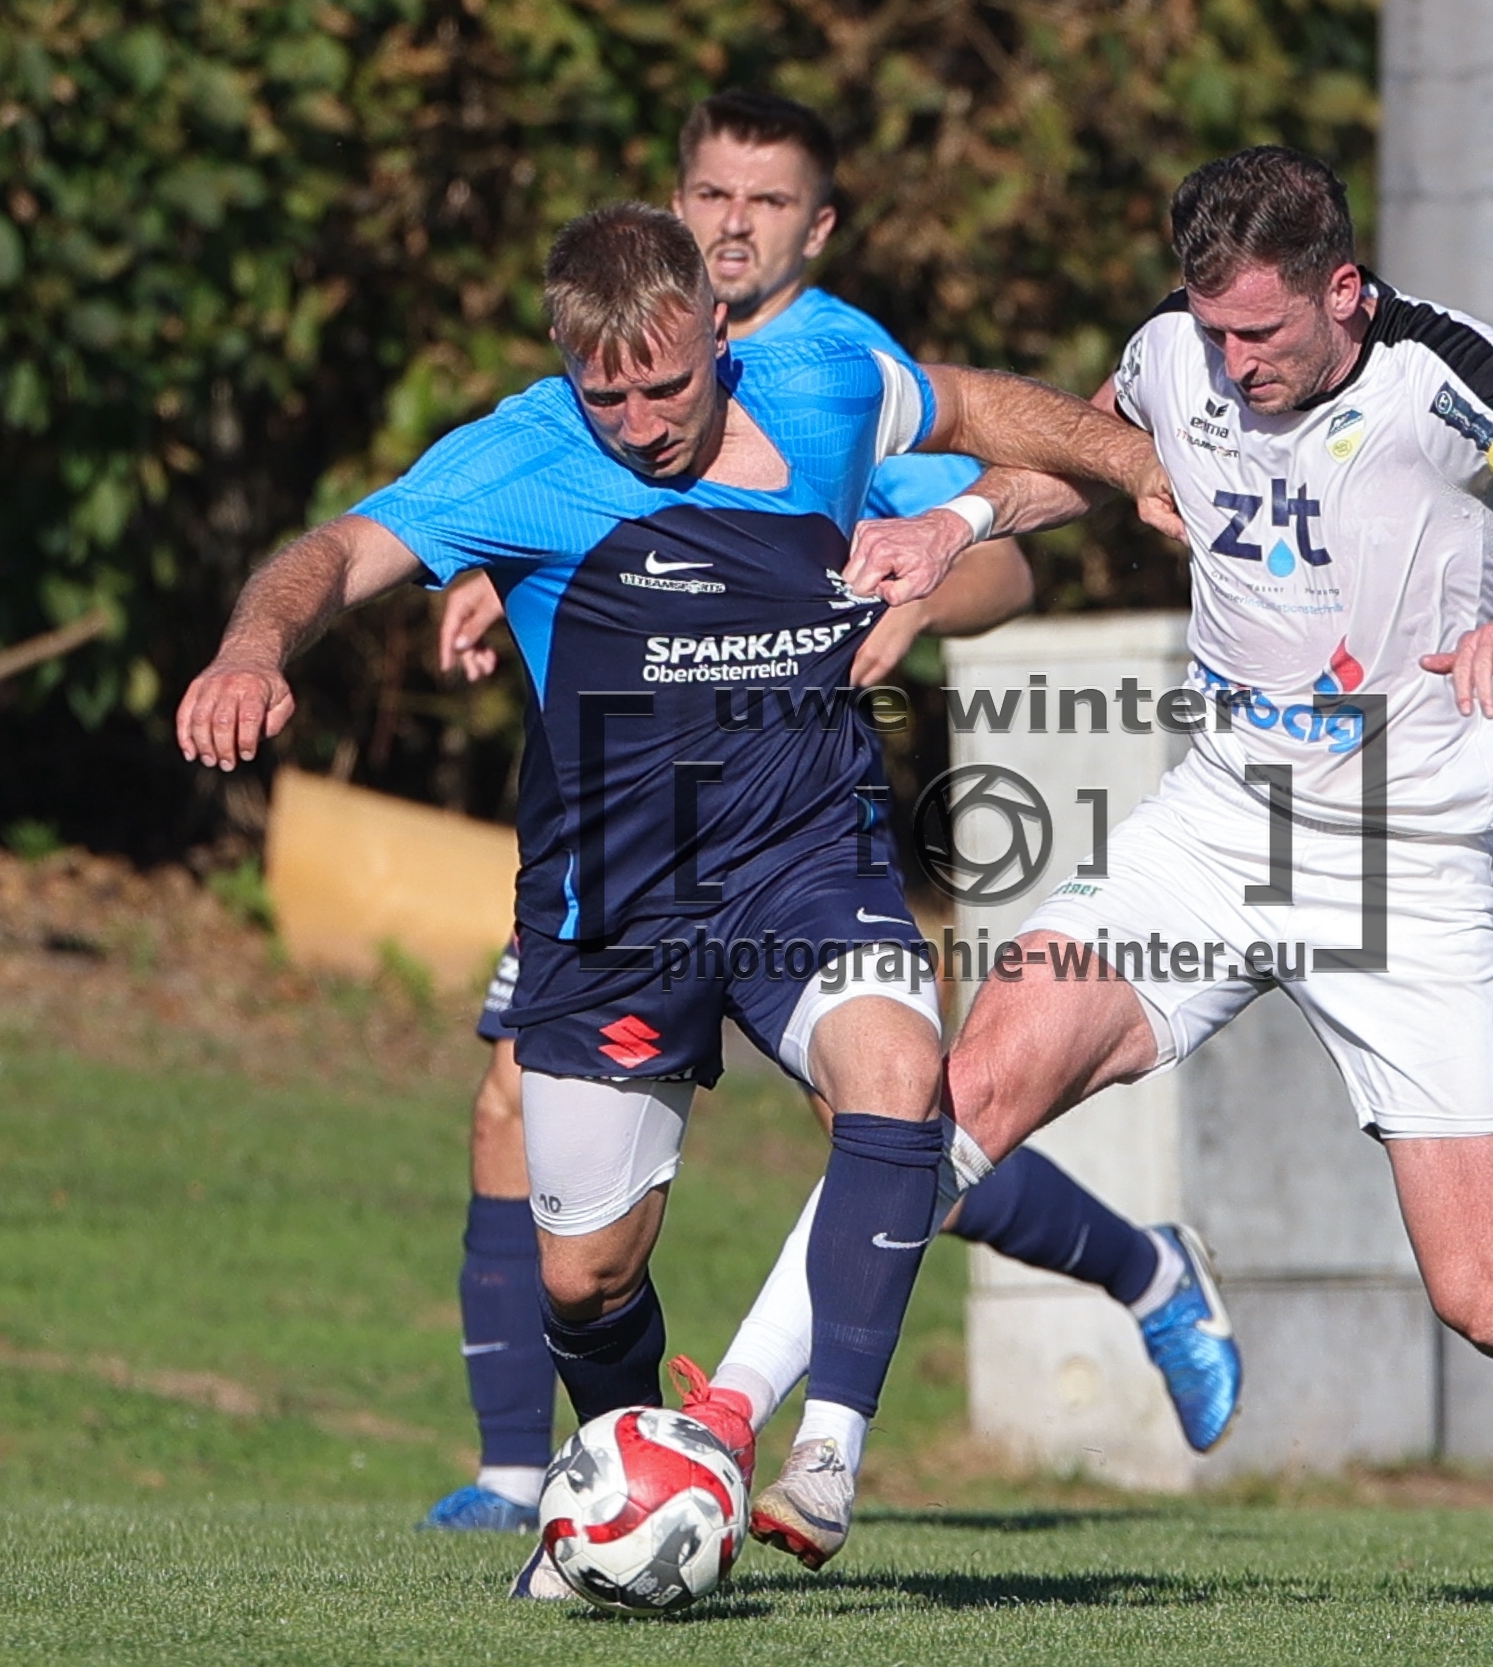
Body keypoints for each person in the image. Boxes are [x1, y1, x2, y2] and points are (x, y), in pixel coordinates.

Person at [174, 200, 1174, 1595]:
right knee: (584, 1278)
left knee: (899, 1077)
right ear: (564, 364)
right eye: (608, 398)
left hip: (805, 861)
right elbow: (336, 554)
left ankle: (825, 1456)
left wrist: (1138, 463)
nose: (641, 424)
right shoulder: (522, 460)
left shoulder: (821, 384)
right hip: (616, 916)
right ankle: (635, 1487)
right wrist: (251, 649)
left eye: (667, 386)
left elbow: (972, 403)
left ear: (718, 327)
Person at [763, 146, 1493, 1595]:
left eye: (1262, 331)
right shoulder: (1173, 354)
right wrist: (956, 519)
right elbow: (1085, 458)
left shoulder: (1450, 374)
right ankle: (738, 1425)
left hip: (1407, 870)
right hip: (1216, 831)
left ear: (1343, 290)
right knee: (956, 1098)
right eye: (1213, 329)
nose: (1235, 363)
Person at [414, 92, 1246, 1540]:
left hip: (782, 816)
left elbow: (1002, 558)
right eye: (710, 196)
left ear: (819, 227)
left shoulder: (829, 374)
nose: (733, 223)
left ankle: (1141, 1268)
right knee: (517, 1105)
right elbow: (555, 505)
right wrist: (500, 570)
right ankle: (525, 1475)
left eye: (768, 201)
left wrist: (913, 591)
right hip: (615, 834)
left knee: (896, 1125)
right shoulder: (625, 365)